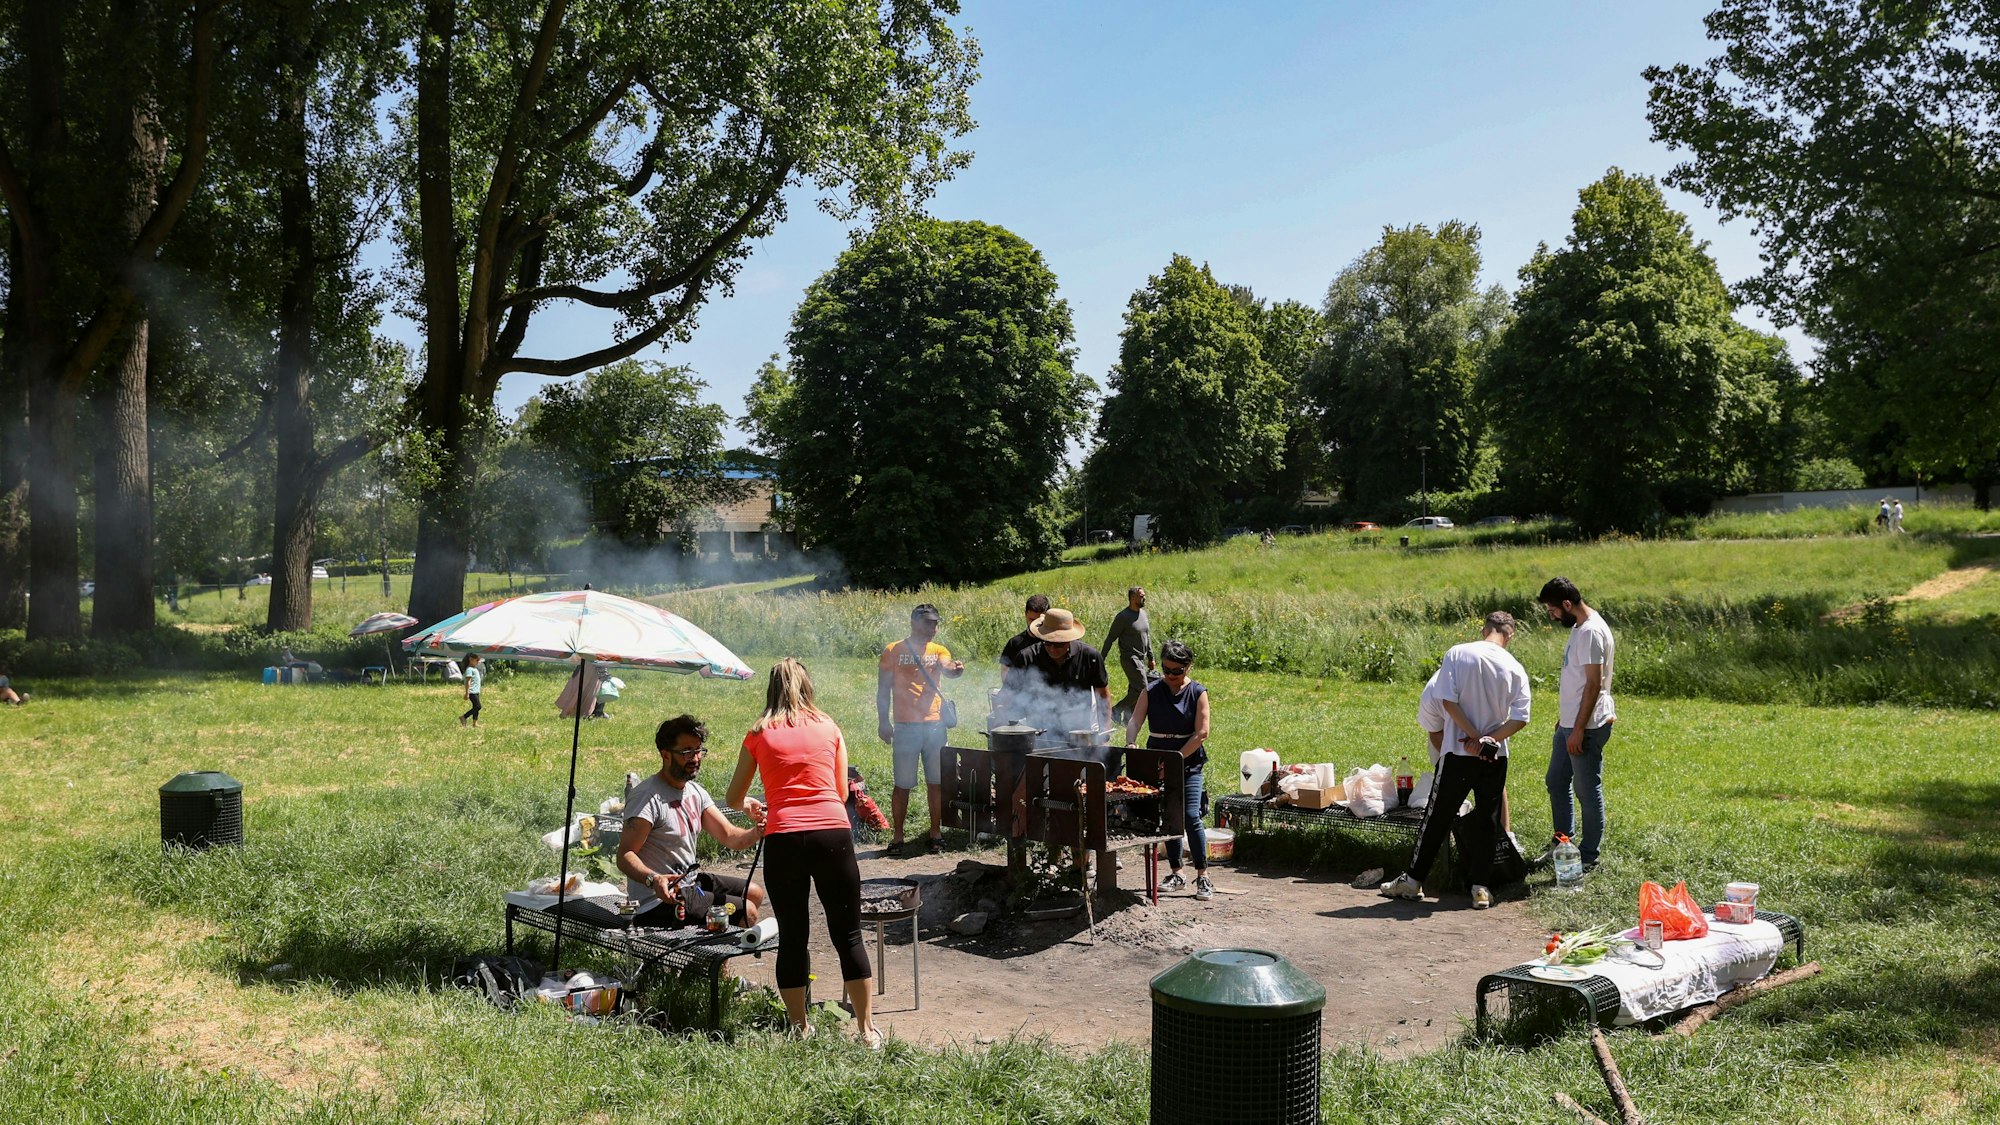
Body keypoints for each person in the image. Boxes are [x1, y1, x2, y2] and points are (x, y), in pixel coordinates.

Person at [725, 658, 879, 1047]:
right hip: (832, 834)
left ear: (771, 689)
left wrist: (755, 807)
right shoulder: (829, 726)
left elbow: (733, 797)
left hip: (784, 838)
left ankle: (799, 1028)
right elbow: (842, 793)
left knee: (793, 936)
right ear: (808, 686)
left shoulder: (759, 734)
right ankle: (866, 1031)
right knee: (848, 934)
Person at [1380, 612, 1532, 909]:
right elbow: (1520, 718)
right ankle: (1480, 887)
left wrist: (1473, 737)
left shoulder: (1458, 653)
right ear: (1509, 636)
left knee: (1437, 817)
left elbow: (1447, 701)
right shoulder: (1515, 667)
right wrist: (1490, 740)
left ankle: (1412, 881)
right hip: (1495, 757)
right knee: (1488, 821)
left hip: (1459, 753)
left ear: (1485, 629)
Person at [618, 714, 768, 929]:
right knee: (748, 911)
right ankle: (713, 960)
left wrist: (757, 831)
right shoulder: (647, 798)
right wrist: (654, 879)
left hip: (689, 882)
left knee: (754, 892)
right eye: (687, 752)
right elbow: (624, 855)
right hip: (658, 902)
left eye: (698, 750)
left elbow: (730, 837)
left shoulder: (695, 792)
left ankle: (711, 954)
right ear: (665, 755)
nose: (695, 758)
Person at [1125, 639, 1214, 901]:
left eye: (1177, 671)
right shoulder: (1151, 691)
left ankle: (1203, 875)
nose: (1171, 676)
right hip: (1158, 762)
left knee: (1189, 816)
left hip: (1188, 762)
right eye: (1166, 670)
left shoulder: (1198, 692)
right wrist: (1131, 742)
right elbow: (1135, 720)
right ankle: (1177, 872)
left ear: (1189, 667)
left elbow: (1202, 733)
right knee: (1169, 817)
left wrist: (1176, 758)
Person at [1539, 577, 1616, 873]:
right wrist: (1567, 717)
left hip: (1588, 725)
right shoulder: (1579, 627)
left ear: (1567, 605)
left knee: (1586, 789)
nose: (1553, 615)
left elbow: (1594, 684)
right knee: (1556, 781)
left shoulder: (1591, 633)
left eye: (1553, 610)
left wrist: (1580, 727)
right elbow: (1578, 680)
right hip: (1571, 722)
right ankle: (1563, 843)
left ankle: (1587, 855)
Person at [876, 604, 964, 856]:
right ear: (914, 622)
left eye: (935, 623)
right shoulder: (893, 650)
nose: (933, 629)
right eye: (928, 623)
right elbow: (883, 690)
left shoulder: (939, 650)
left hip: (935, 726)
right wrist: (883, 721)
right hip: (905, 727)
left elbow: (948, 668)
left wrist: (956, 670)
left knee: (936, 783)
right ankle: (898, 836)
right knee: (902, 784)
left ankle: (935, 833)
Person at [1014, 607, 1111, 744]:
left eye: (1059, 644)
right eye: (1048, 643)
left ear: (1070, 639)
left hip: (1079, 735)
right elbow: (1010, 698)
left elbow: (1103, 695)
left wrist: (1104, 733)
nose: (1053, 648)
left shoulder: (1090, 657)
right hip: (1039, 736)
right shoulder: (1026, 658)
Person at [1102, 586, 1155, 725]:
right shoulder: (1123, 617)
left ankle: (1127, 720)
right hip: (1130, 659)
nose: (1145, 598)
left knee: (1135, 689)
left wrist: (1151, 656)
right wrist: (1101, 659)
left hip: (1142, 659)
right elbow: (1110, 638)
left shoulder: (1143, 614)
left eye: (1144, 595)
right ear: (1133, 598)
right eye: (1141, 596)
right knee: (1143, 688)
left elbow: (1147, 636)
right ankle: (1116, 710)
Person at [459, 653, 483, 727]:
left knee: (475, 707)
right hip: (472, 691)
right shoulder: (469, 669)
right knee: (478, 706)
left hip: (476, 691)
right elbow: (468, 682)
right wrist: (467, 693)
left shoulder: (474, 669)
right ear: (471, 659)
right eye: (477, 660)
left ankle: (475, 723)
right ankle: (464, 717)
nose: (478, 662)